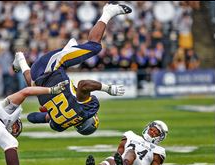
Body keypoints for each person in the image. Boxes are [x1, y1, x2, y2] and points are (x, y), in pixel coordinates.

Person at [12, 2, 132, 135]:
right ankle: (20, 59)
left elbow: (83, 84)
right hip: (36, 75)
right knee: (34, 87)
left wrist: (108, 89)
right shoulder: (59, 125)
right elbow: (32, 118)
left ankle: (108, 12)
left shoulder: (85, 110)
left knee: (95, 47)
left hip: (52, 65)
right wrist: (50, 113)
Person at [76, 120, 170, 165]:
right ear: (148, 128)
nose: (152, 132)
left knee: (131, 152)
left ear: (160, 137)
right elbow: (118, 155)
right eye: (151, 129)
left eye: (156, 132)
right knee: (111, 159)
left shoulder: (158, 150)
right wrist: (115, 163)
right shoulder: (131, 135)